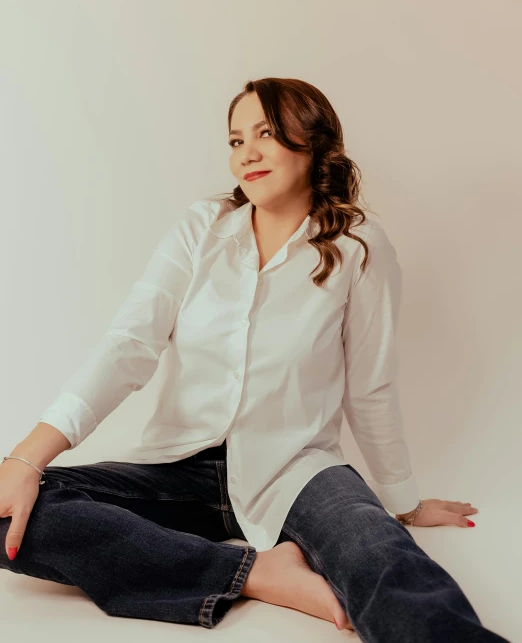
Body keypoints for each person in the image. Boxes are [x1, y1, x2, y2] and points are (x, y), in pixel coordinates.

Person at [0, 78, 509, 641]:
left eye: (265, 133)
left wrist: (403, 502)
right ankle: (256, 574)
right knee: (6, 514)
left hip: (298, 470)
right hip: (181, 469)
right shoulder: (203, 228)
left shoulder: (359, 246)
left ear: (312, 140)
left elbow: (371, 387)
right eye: (236, 140)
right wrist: (26, 460)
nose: (247, 153)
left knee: (378, 551)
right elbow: (129, 345)